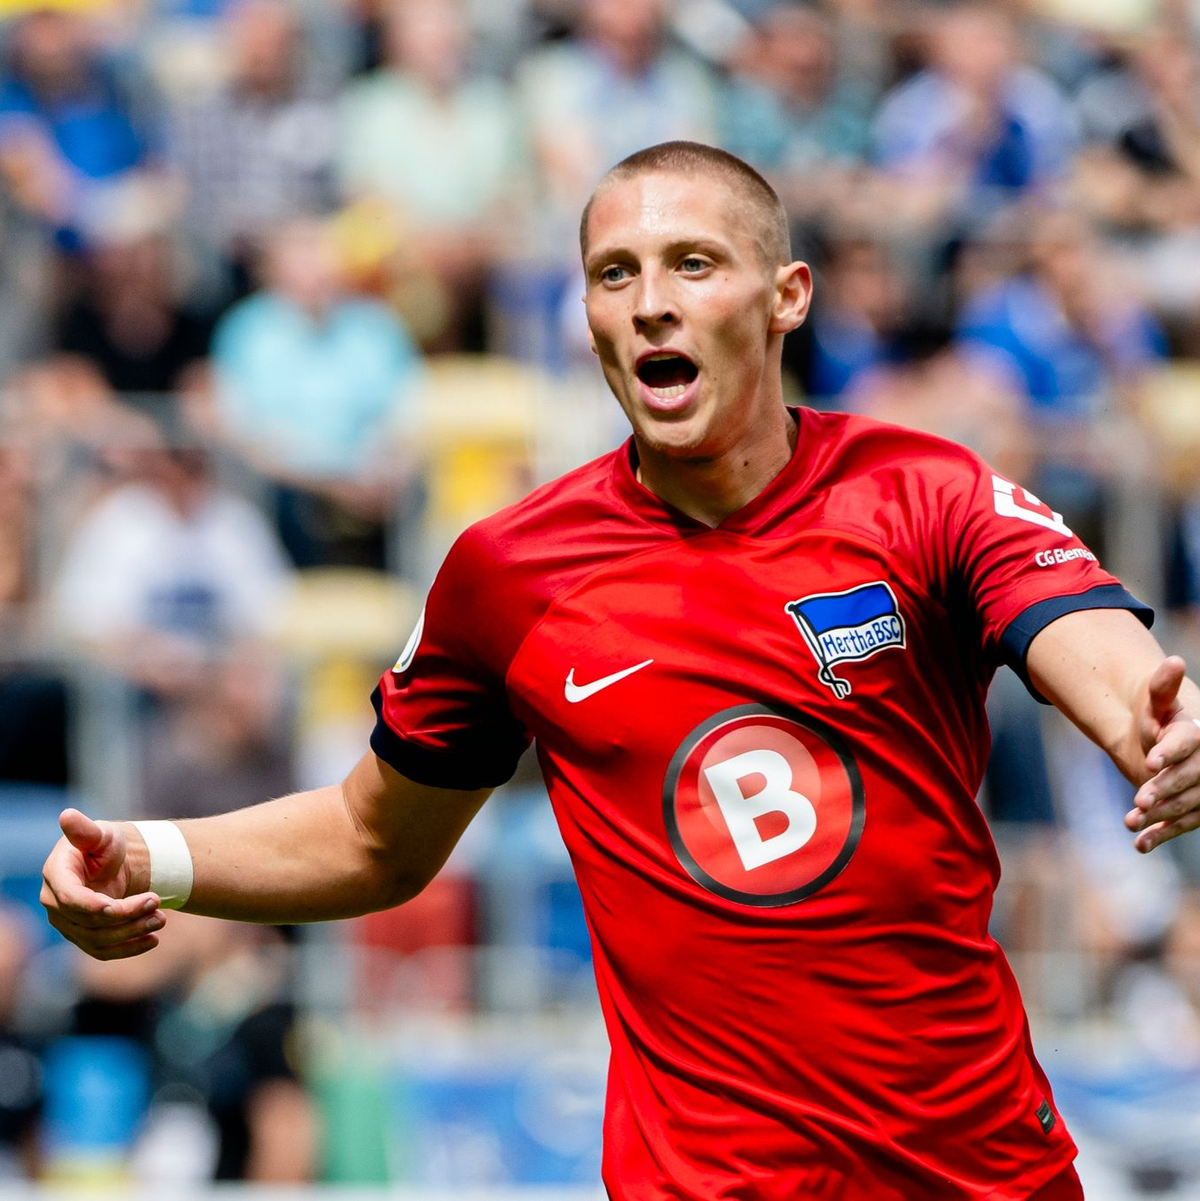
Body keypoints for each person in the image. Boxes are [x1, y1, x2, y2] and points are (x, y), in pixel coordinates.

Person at [40, 141, 1200, 1200]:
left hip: (976, 1172)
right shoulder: (509, 572)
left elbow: (1087, 637)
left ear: (787, 297)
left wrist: (1163, 725)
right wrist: (153, 855)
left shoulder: (922, 491)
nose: (651, 304)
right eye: (614, 273)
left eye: (693, 264)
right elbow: (376, 838)